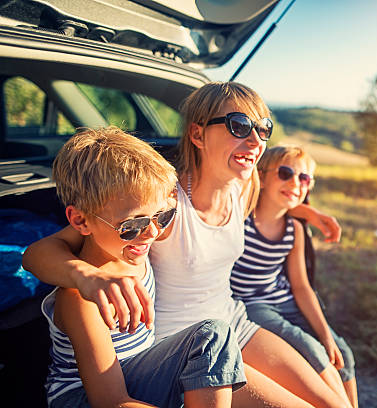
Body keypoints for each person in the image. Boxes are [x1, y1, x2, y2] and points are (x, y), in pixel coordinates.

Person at [23, 82, 348, 408]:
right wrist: (83, 276)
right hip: (183, 343)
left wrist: (310, 213)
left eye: (264, 129)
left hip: (231, 321)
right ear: (197, 134)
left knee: (333, 403)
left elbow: (280, 197)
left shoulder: (244, 186)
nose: (255, 140)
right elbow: (40, 253)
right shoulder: (162, 204)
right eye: (240, 125)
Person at [43, 127, 244, 408]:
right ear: (80, 221)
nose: (151, 232)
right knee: (211, 337)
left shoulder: (134, 244)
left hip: (138, 372)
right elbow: (111, 401)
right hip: (83, 398)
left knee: (212, 338)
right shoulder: (81, 298)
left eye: (163, 216)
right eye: (132, 225)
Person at [230, 145, 358, 407]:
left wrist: (326, 335)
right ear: (262, 177)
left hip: (285, 299)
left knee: (340, 350)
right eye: (286, 173)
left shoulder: (294, 231)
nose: (295, 183)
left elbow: (301, 287)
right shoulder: (241, 217)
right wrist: (312, 213)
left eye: (304, 178)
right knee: (309, 348)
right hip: (251, 305)